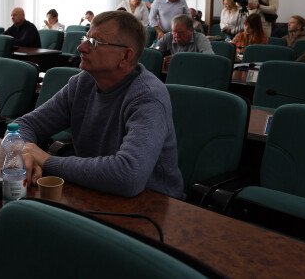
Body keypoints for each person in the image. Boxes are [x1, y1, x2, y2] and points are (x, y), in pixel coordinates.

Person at [17, 11, 183, 198]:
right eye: (85, 39)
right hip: (94, 190)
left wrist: (47, 161)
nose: (81, 47)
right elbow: (24, 125)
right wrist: (26, 154)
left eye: (94, 43)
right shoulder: (82, 83)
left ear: (126, 56)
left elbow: (129, 175)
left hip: (153, 203)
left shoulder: (148, 96)